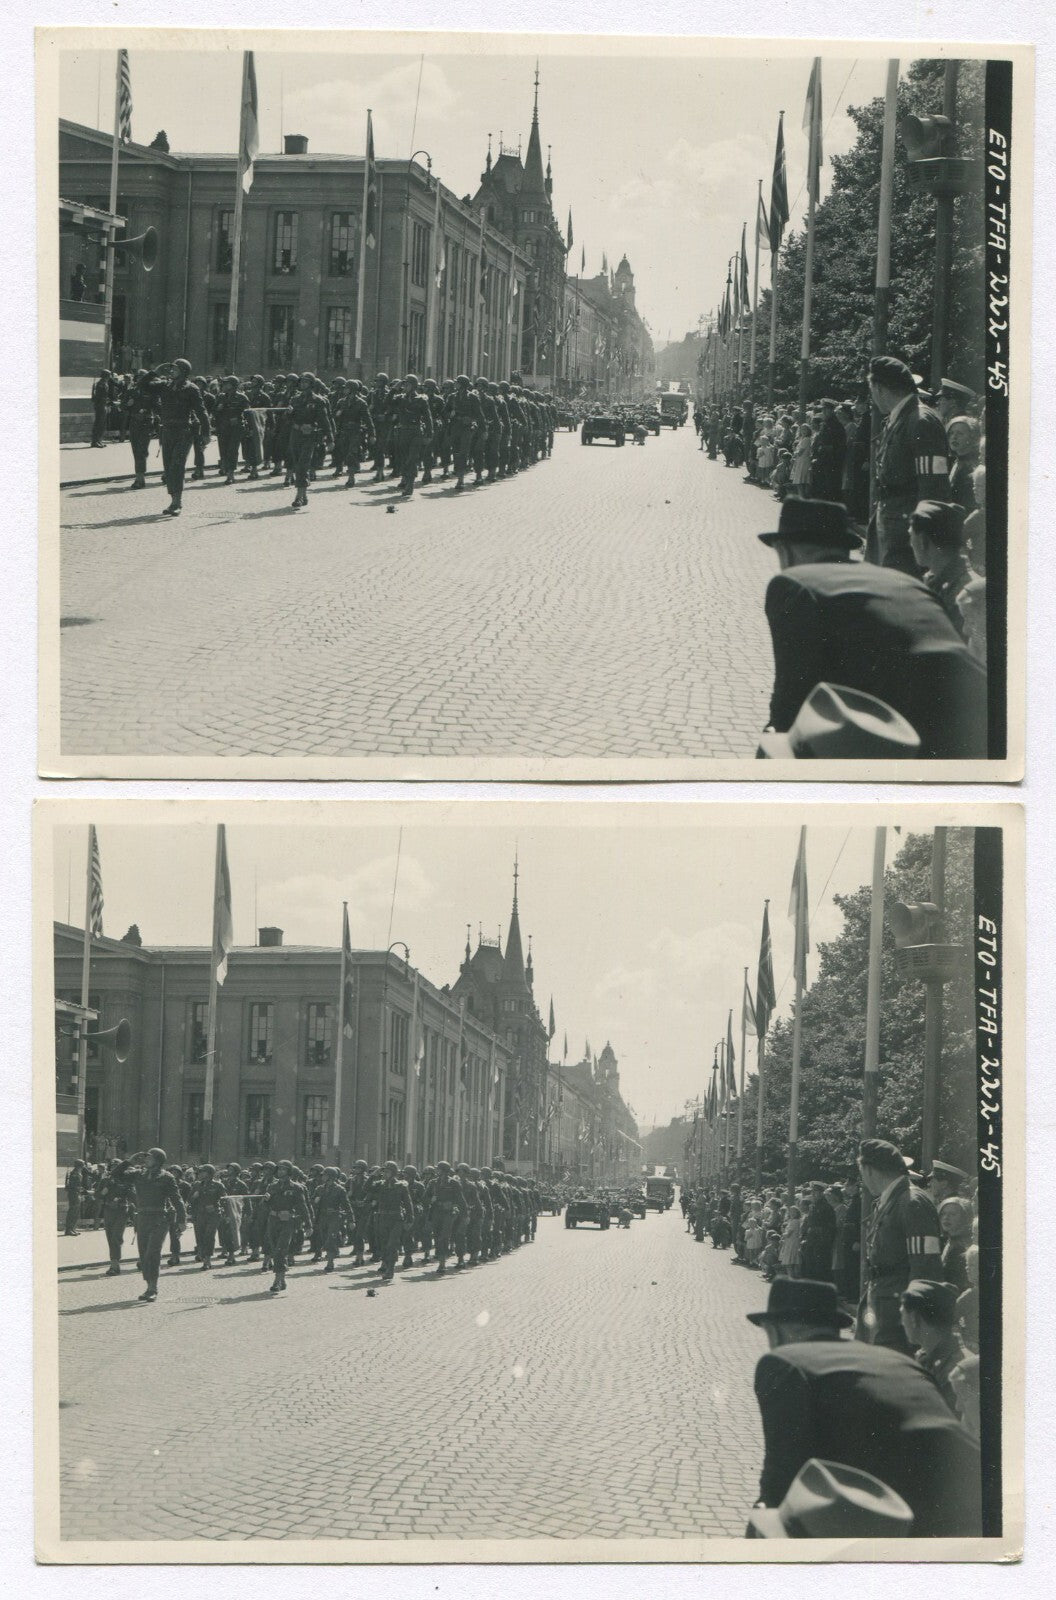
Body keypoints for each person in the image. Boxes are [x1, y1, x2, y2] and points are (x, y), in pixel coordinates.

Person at [747, 1276, 982, 1536]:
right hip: (972, 1491)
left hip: (903, 1512)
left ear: (777, 1331)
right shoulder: (899, 1360)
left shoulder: (784, 1362)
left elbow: (780, 1478)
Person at [758, 498, 987, 760]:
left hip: (906, 731)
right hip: (976, 713)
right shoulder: (905, 582)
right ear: (843, 549)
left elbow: (790, 699)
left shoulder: (793, 584)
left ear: (786, 551)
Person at [856, 1137, 943, 1352]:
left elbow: (925, 1268)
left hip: (899, 1314)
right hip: (883, 1304)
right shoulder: (892, 1200)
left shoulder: (912, 1202)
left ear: (868, 1170)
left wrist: (915, 1319)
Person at [869, 356, 950, 573]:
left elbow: (933, 488)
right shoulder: (901, 418)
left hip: (907, 535)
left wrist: (922, 537)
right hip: (893, 524)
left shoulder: (921, 421)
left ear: (878, 388)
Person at [112, 1148, 188, 1302]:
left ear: (158, 1160)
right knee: (143, 1254)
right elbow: (115, 1175)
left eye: (149, 1157)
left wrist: (182, 1220)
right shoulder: (138, 1174)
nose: (146, 1159)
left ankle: (152, 1288)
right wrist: (129, 1161)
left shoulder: (167, 1177)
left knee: (152, 1253)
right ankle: (149, 1285)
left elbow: (177, 1199)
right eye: (145, 1157)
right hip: (142, 1219)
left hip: (159, 1219)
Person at [908, 501, 979, 638]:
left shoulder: (964, 592)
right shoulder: (934, 578)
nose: (910, 544)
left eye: (911, 537)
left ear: (923, 541)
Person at [899, 1279, 969, 1417]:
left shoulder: (956, 1371)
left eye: (902, 1315)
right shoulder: (926, 1357)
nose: (901, 1323)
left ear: (914, 1319)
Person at [153, 358, 211, 516]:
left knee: (176, 466)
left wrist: (206, 433)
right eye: (171, 368)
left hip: (183, 432)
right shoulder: (165, 386)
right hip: (167, 431)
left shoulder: (191, 388)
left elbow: (201, 411)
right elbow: (144, 385)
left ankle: (177, 502)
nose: (171, 371)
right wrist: (156, 370)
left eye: (175, 369)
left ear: (184, 371)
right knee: (168, 467)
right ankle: (173, 500)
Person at [260, 1160, 312, 1293]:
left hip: (287, 1222)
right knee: (274, 1248)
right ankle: (282, 1279)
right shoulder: (272, 1186)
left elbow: (302, 1207)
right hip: (273, 1221)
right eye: (279, 1169)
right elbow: (264, 1206)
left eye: (284, 1169)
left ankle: (277, 1280)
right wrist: (265, 1200)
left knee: (280, 1250)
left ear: (289, 1172)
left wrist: (308, 1225)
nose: (281, 1172)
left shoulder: (296, 1188)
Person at [285, 372, 333, 510]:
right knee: (296, 463)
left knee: (302, 465)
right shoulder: (294, 400)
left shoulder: (318, 401)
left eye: (306, 382)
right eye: (302, 382)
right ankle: (304, 494)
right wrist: (288, 414)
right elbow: (288, 420)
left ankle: (298, 496)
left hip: (309, 437)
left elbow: (325, 421)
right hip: (295, 435)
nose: (303, 384)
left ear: (312, 384)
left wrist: (329, 439)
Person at [810, 399, 846, 501]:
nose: (824, 412)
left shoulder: (836, 425)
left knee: (830, 488)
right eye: (823, 410)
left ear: (832, 410)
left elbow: (840, 445)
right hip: (822, 460)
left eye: (826, 410)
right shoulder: (825, 424)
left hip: (831, 461)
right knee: (821, 487)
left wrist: (828, 450)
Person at [90, 370, 112, 447]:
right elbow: (100, 396)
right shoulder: (100, 384)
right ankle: (95, 441)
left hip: (102, 405)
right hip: (100, 406)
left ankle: (99, 440)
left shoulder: (103, 383)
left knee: (102, 424)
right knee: (99, 423)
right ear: (106, 376)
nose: (110, 377)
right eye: (109, 375)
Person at [63, 1160, 86, 1235]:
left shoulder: (78, 1173)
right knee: (72, 1212)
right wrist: (79, 1189)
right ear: (80, 1165)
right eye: (82, 1165)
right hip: (73, 1195)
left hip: (77, 1194)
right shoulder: (74, 1174)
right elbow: (73, 1186)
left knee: (76, 1212)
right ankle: (68, 1230)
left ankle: (72, 1228)